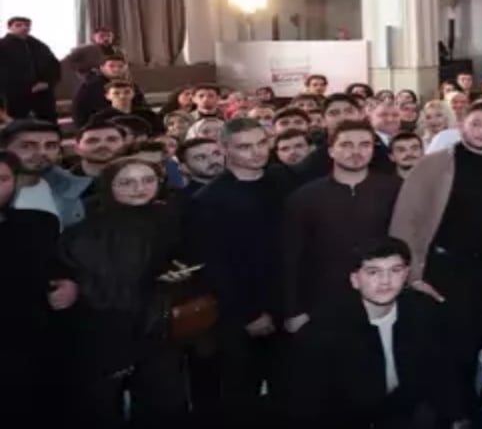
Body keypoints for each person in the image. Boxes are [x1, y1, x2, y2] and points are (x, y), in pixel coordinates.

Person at [389, 101, 482, 428]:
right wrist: (412, 272)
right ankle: (456, 414)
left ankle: (463, 409)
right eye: (477, 124)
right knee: (447, 347)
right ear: (462, 126)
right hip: (442, 269)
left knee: (473, 342)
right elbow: (406, 221)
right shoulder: (432, 165)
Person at [60, 157, 189, 428]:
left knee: (164, 404)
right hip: (109, 334)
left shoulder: (170, 218)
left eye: (147, 180)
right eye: (126, 182)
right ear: (109, 186)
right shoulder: (88, 231)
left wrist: (178, 276)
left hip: (161, 332)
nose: (138, 188)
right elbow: (95, 286)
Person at [187, 118, 290, 427]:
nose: (256, 152)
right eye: (245, 147)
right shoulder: (209, 201)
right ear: (224, 149)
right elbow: (214, 265)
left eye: (261, 143)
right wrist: (248, 313)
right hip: (241, 314)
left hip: (288, 303)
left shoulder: (282, 181)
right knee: (241, 393)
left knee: (289, 391)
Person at [284, 237, 436, 429]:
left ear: (406, 274)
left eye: (395, 270)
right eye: (373, 272)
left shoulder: (421, 312)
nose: (385, 281)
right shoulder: (323, 331)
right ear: (355, 280)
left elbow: (439, 376)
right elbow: (307, 408)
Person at [281, 121, 402, 336]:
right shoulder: (304, 197)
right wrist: (293, 309)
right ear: (330, 151)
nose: (355, 152)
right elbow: (290, 257)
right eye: (346, 145)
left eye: (364, 144)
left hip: (384, 298)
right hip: (322, 302)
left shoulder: (394, 189)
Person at [0, 151, 75, 426]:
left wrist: (69, 285)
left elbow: (57, 268)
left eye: (3, 179)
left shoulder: (39, 223)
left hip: (37, 342)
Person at [0, 119, 91, 228]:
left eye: (51, 146)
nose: (42, 152)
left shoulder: (72, 187)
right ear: (3, 149)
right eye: (27, 146)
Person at [0, 16, 61, 121]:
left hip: (43, 96)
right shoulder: (2, 46)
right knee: (22, 131)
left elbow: (54, 65)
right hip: (15, 97)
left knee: (49, 128)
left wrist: (47, 82)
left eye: (27, 25)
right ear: (9, 27)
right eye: (18, 25)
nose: (24, 28)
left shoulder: (39, 45)